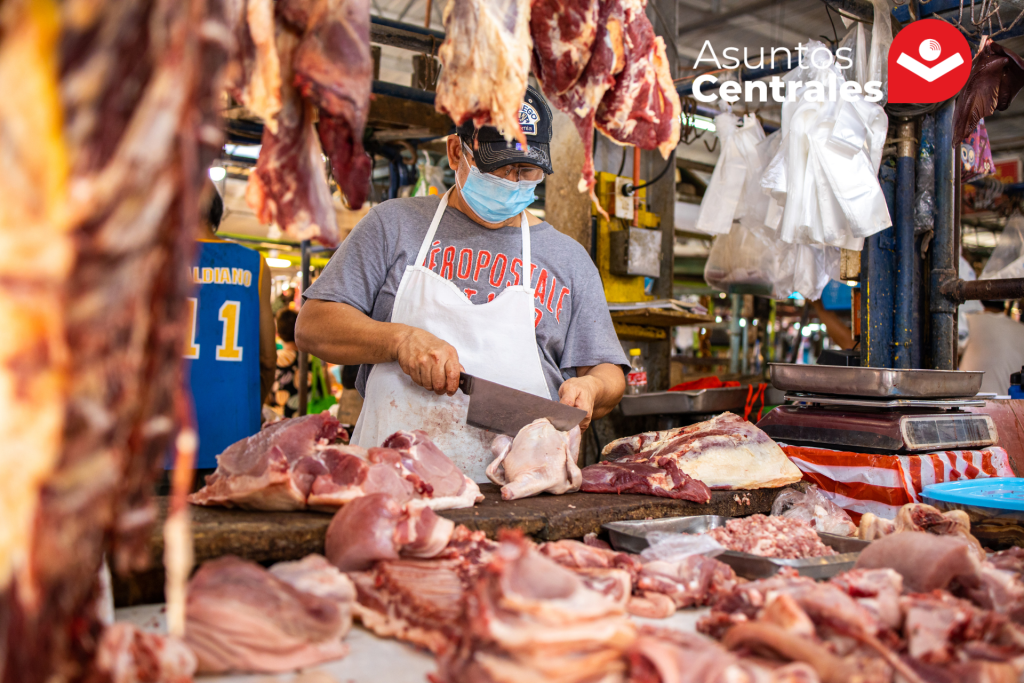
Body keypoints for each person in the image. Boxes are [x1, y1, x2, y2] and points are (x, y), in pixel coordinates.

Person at [296, 86, 627, 482]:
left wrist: (590, 388)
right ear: (457, 151)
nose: (512, 182)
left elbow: (609, 373)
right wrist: (398, 341)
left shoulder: (568, 259)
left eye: (527, 172)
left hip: (516, 493)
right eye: (499, 168)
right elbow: (313, 325)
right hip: (393, 484)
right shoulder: (392, 225)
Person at [185, 183, 276, 468]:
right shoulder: (254, 264)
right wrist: (252, 407)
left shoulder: (153, 261)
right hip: (234, 433)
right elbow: (267, 358)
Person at [959, 300, 1024, 394]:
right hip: (1012, 402)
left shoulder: (969, 321)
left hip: (976, 402)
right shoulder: (1021, 328)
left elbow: (952, 352)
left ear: (981, 301)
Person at [274, 308, 301, 417]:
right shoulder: (314, 358)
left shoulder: (275, 358)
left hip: (280, 421)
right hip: (309, 421)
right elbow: (325, 390)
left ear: (278, 332)